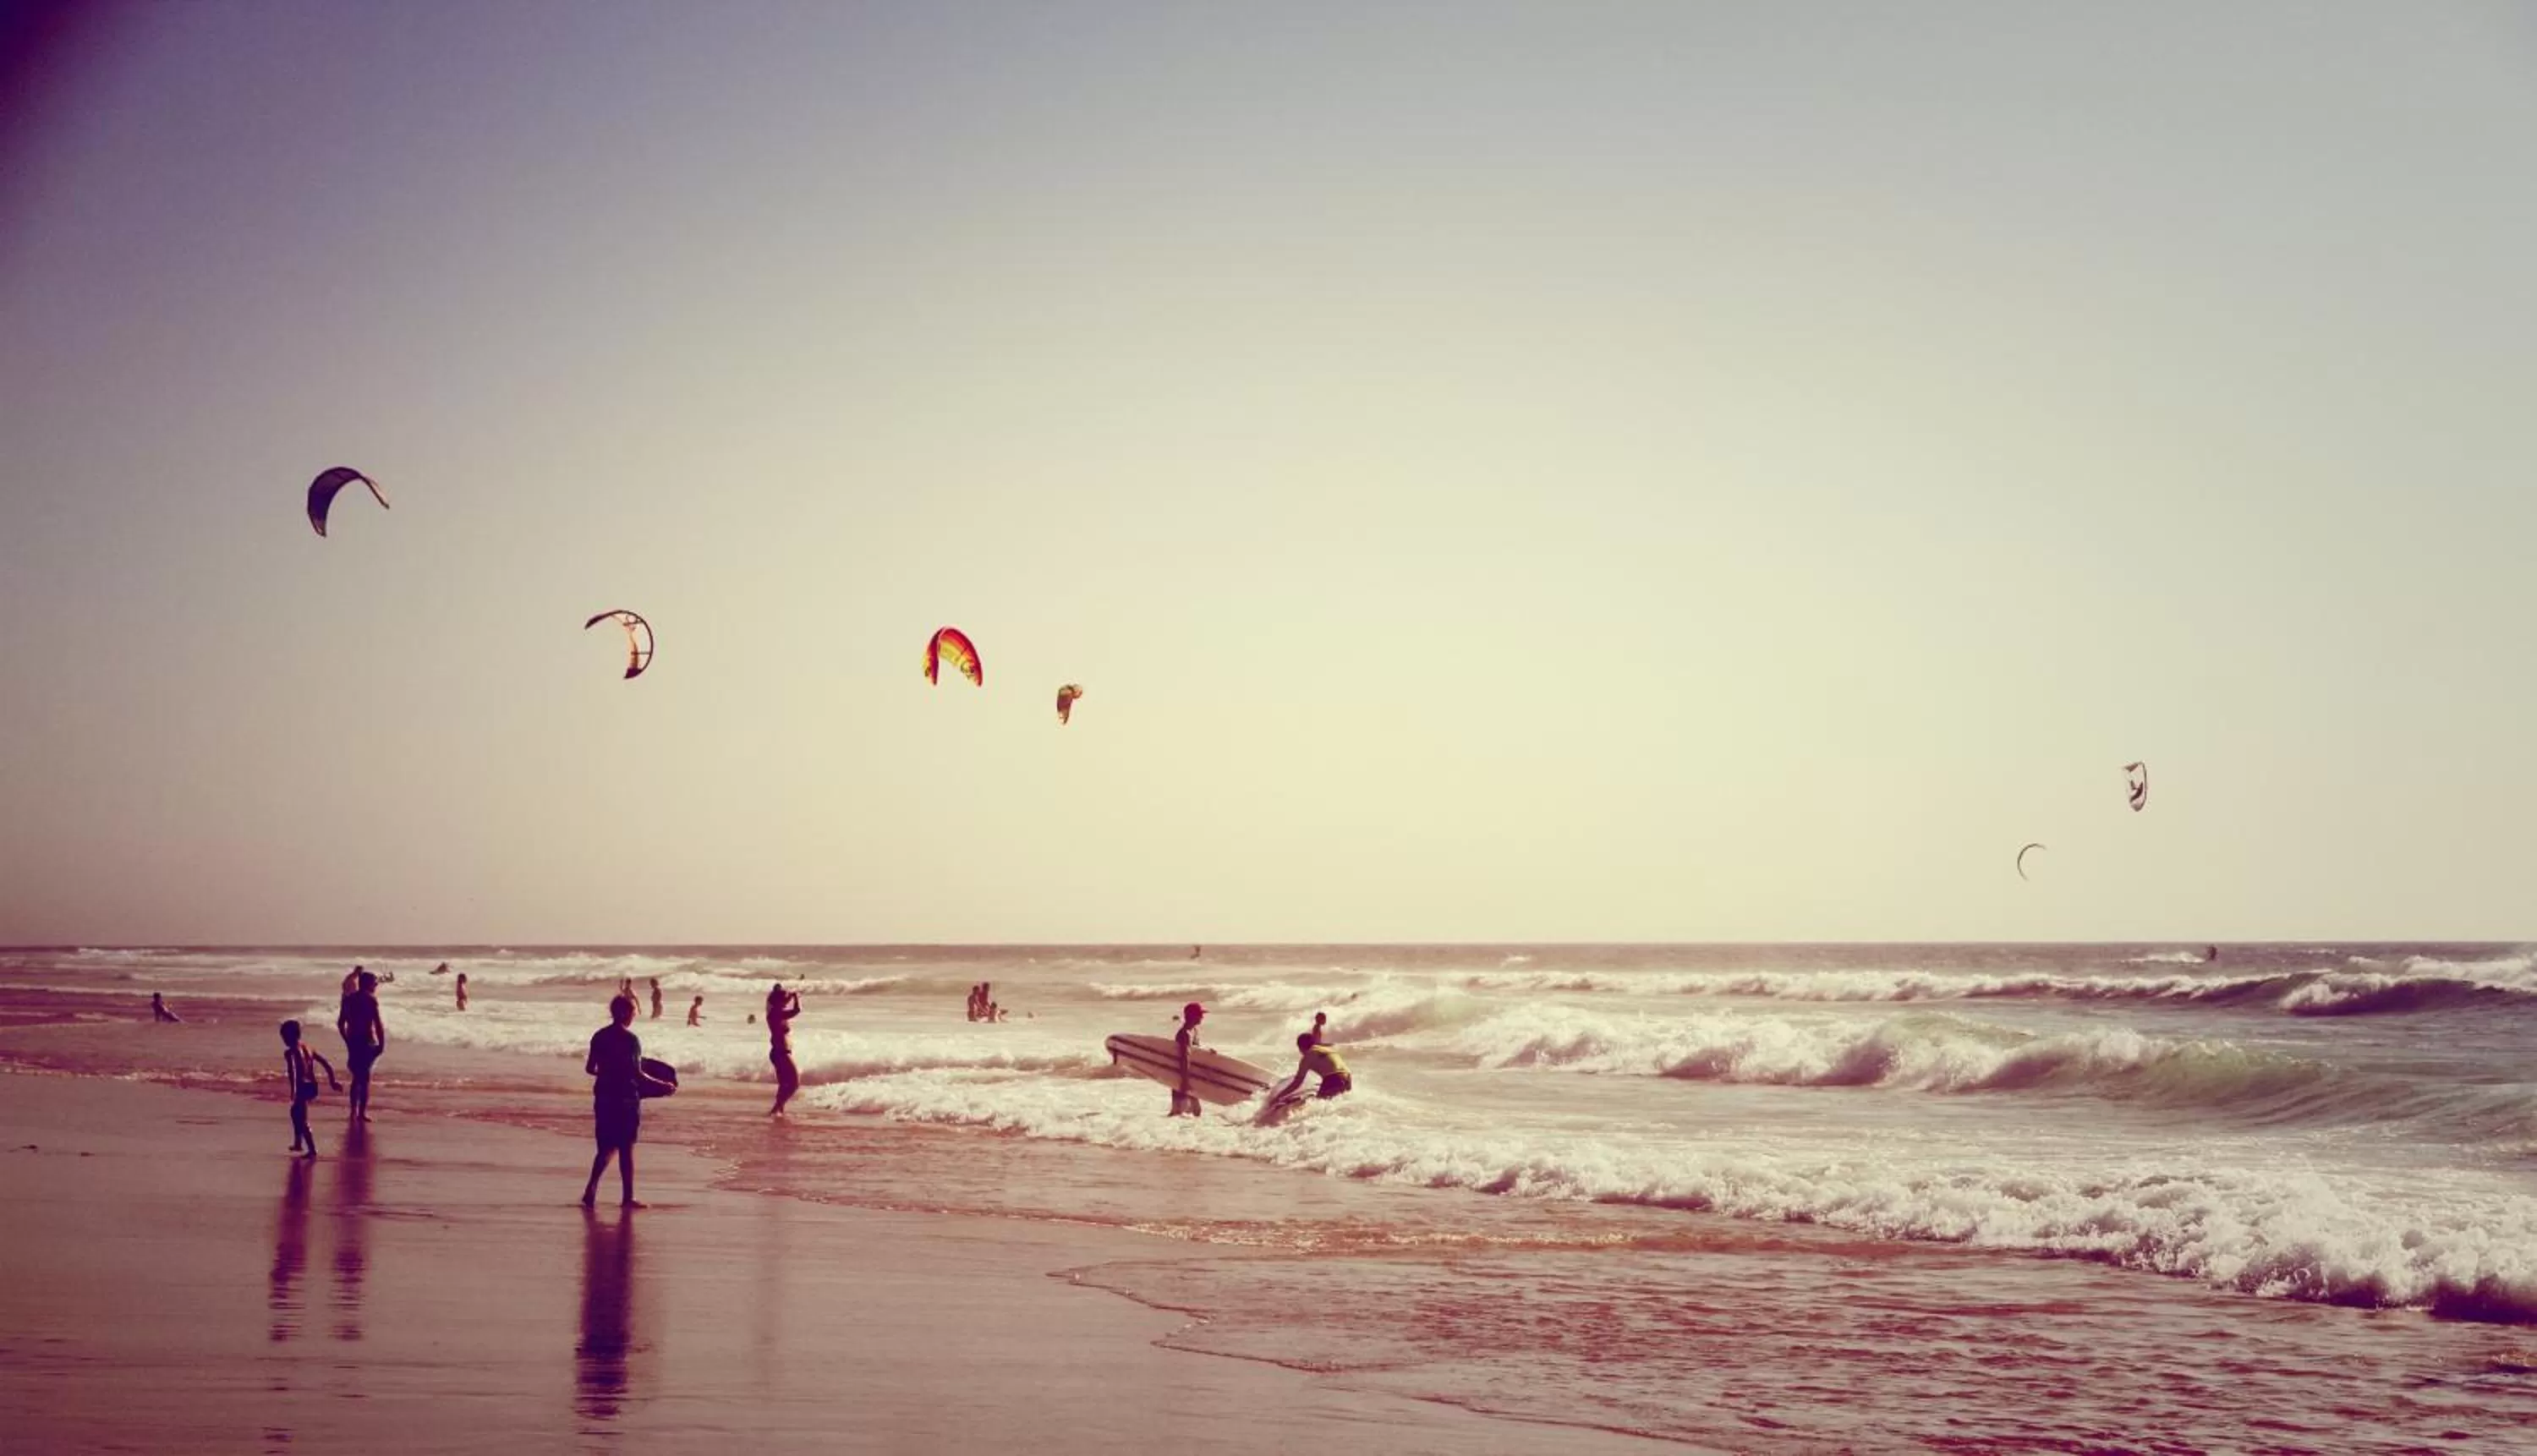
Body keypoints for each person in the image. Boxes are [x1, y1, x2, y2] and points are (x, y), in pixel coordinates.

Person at [580, 993, 666, 1208]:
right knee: (626, 1147)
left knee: (605, 1147)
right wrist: (662, 1085)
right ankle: (628, 1197)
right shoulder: (630, 1040)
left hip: (604, 1095)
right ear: (625, 1013)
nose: (634, 1016)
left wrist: (609, 1072)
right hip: (626, 1097)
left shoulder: (599, 1036)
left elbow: (590, 1068)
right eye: (634, 1011)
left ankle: (591, 1188)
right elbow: (636, 1073)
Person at [279, 1021, 339, 1158]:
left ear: (289, 1037)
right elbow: (326, 1063)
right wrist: (332, 1081)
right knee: (295, 1113)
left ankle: (311, 1149)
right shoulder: (308, 1048)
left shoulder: (291, 1052)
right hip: (312, 1086)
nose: (283, 1041)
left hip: (301, 1087)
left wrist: (294, 1091)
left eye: (284, 1037)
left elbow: (292, 1072)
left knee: (301, 1118)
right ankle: (298, 1142)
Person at [336, 969, 386, 1123]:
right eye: (374, 984)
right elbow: (378, 1024)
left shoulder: (348, 1000)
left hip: (353, 1041)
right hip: (366, 1041)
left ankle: (353, 1112)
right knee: (364, 1079)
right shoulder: (370, 1000)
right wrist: (382, 1044)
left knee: (357, 1078)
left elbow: (340, 1023)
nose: (376, 986)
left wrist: (347, 1040)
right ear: (368, 984)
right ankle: (361, 1113)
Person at [1268, 1032, 1351, 1108]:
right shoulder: (1328, 1049)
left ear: (1300, 1047)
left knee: (1318, 1107)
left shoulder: (1308, 1056)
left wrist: (1279, 1096)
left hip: (1333, 1079)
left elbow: (1297, 1082)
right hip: (1348, 1077)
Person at [766, 983, 803, 1117]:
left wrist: (789, 995)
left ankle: (779, 1111)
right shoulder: (776, 1013)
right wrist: (796, 997)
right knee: (794, 1083)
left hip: (779, 1052)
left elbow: (781, 1000)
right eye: (786, 998)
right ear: (780, 1001)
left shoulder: (774, 1012)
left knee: (784, 1085)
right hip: (781, 1053)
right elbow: (797, 1010)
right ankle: (776, 1109)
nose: (788, 1000)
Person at [1169, 1002, 1206, 1118]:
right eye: (1200, 1014)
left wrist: (1209, 1051)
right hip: (1182, 1077)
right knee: (1179, 1114)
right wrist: (1184, 1081)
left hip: (1190, 1076)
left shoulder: (1194, 1031)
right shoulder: (1185, 1034)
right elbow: (1185, 1057)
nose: (1203, 1017)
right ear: (1193, 1016)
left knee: (1196, 1112)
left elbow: (1195, 1051)